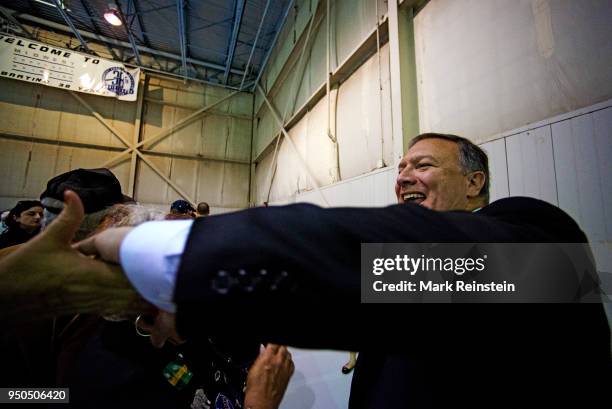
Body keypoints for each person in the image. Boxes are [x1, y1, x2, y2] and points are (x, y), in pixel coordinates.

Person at [2, 134, 610, 406]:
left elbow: (402, 269)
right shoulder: (71, 356)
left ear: (475, 180)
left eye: (422, 165)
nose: (402, 177)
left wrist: (158, 258)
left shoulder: (539, 245)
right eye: (399, 167)